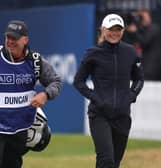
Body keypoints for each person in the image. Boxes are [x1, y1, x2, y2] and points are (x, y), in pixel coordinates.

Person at [73, 14, 144, 168]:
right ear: (103, 30)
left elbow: (139, 79)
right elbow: (78, 81)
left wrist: (131, 96)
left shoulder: (131, 52)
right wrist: (94, 97)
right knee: (106, 160)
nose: (114, 33)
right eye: (111, 29)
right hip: (99, 115)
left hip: (122, 117)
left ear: (123, 31)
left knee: (114, 163)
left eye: (118, 29)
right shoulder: (93, 53)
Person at [0, 20, 62, 168]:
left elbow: (56, 82)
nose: (10, 41)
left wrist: (45, 95)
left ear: (25, 40)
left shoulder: (35, 61)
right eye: (8, 37)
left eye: (14, 38)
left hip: (20, 129)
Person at [123, 9, 161, 81]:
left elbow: (144, 41)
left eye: (144, 16)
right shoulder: (141, 29)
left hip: (151, 67)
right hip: (140, 65)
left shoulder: (154, 28)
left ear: (149, 16)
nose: (142, 19)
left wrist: (135, 31)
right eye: (140, 17)